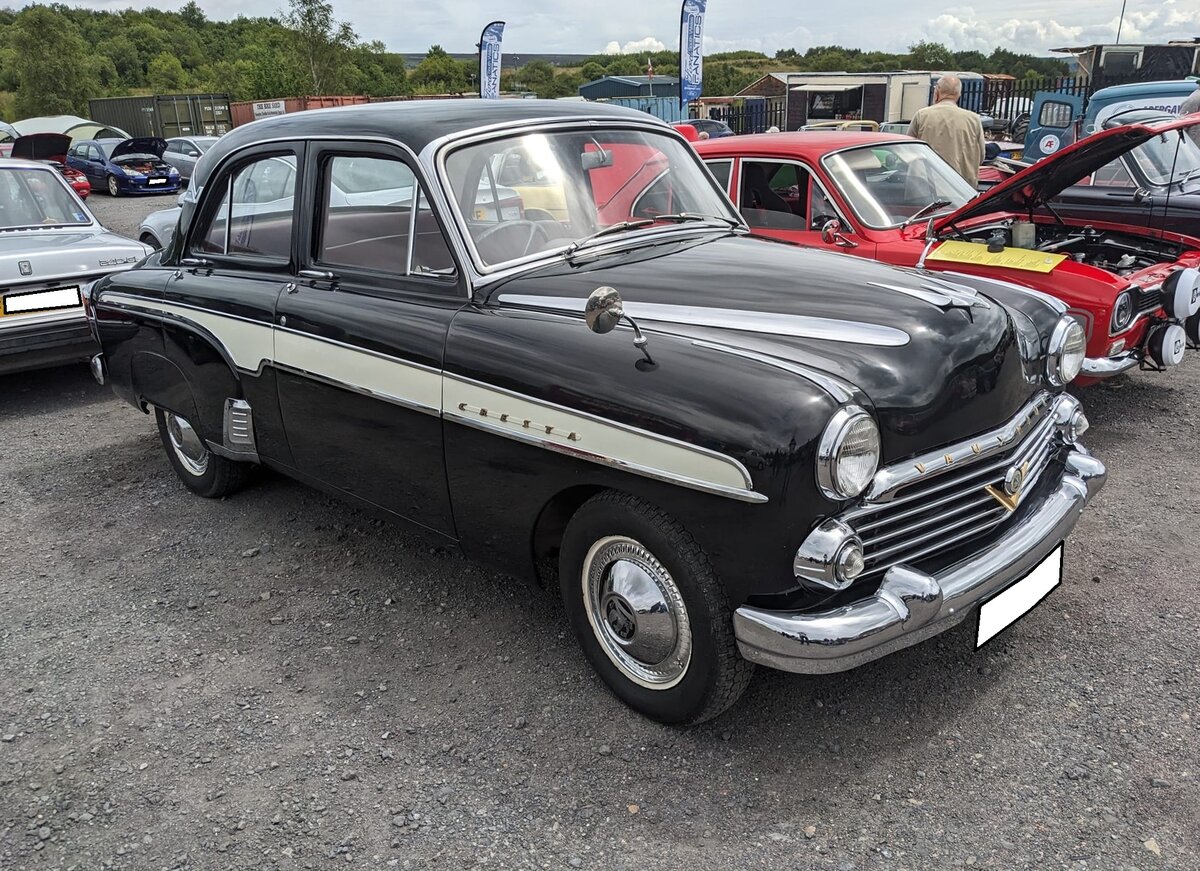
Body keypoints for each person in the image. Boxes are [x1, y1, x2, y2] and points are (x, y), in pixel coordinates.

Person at [909, 75, 986, 184]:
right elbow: (981, 157)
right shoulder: (974, 119)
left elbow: (909, 149)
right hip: (961, 187)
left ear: (937, 91)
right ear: (958, 94)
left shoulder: (921, 115)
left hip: (926, 184)